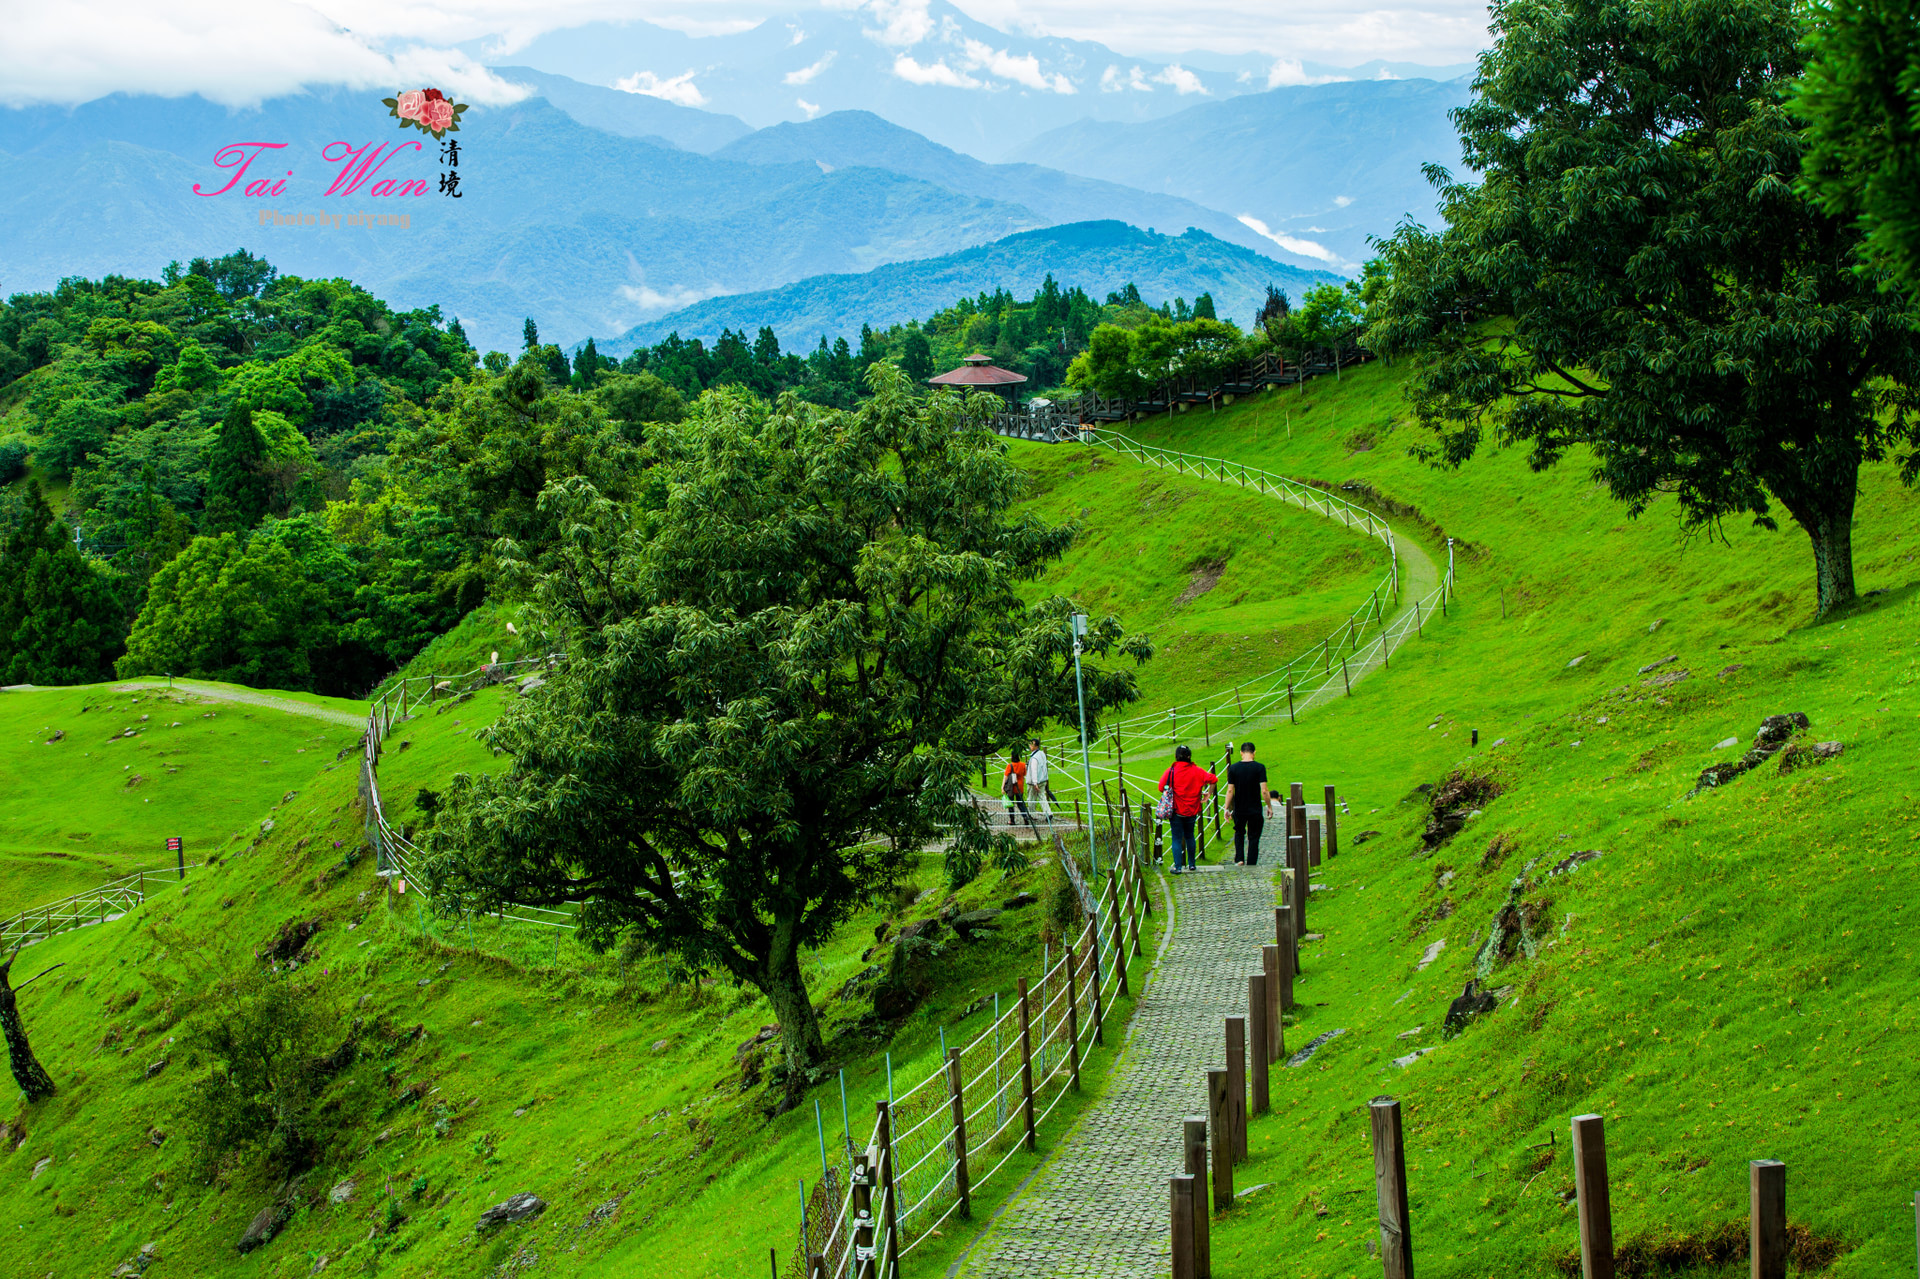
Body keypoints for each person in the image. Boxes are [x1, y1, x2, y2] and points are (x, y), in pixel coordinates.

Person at [1157, 744, 1218, 874]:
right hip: (1192, 810)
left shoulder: (1171, 771)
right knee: (1190, 836)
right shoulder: (1197, 771)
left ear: (1176, 756)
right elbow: (1213, 779)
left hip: (1176, 810)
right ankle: (1192, 864)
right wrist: (1209, 794)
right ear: (1189, 756)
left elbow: (1161, 787)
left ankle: (1178, 867)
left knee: (1176, 838)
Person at [1222, 741, 1271, 866]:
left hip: (1239, 808)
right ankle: (1251, 861)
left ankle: (1239, 858)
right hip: (1254, 808)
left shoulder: (1233, 768)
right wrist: (1269, 806)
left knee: (1239, 832)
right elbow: (1264, 790)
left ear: (1241, 753)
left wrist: (1226, 808)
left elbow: (1230, 790)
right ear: (1254, 753)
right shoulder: (1259, 768)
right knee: (1254, 836)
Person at [1001, 747, 1032, 829]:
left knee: (1011, 804)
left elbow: (1005, 777)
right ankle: (1025, 816)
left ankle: (1012, 820)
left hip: (1011, 787)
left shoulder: (1009, 766)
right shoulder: (1022, 765)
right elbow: (1025, 774)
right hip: (1020, 787)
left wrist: (1002, 786)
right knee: (1021, 803)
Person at [1026, 738, 1054, 819]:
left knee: (1031, 798)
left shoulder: (1034, 758)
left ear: (1036, 746)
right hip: (1043, 780)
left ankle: (1032, 814)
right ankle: (1048, 813)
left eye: (1032, 745)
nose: (1030, 746)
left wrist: (1035, 783)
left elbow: (1034, 770)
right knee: (1042, 797)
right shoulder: (1042, 754)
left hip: (1034, 782)